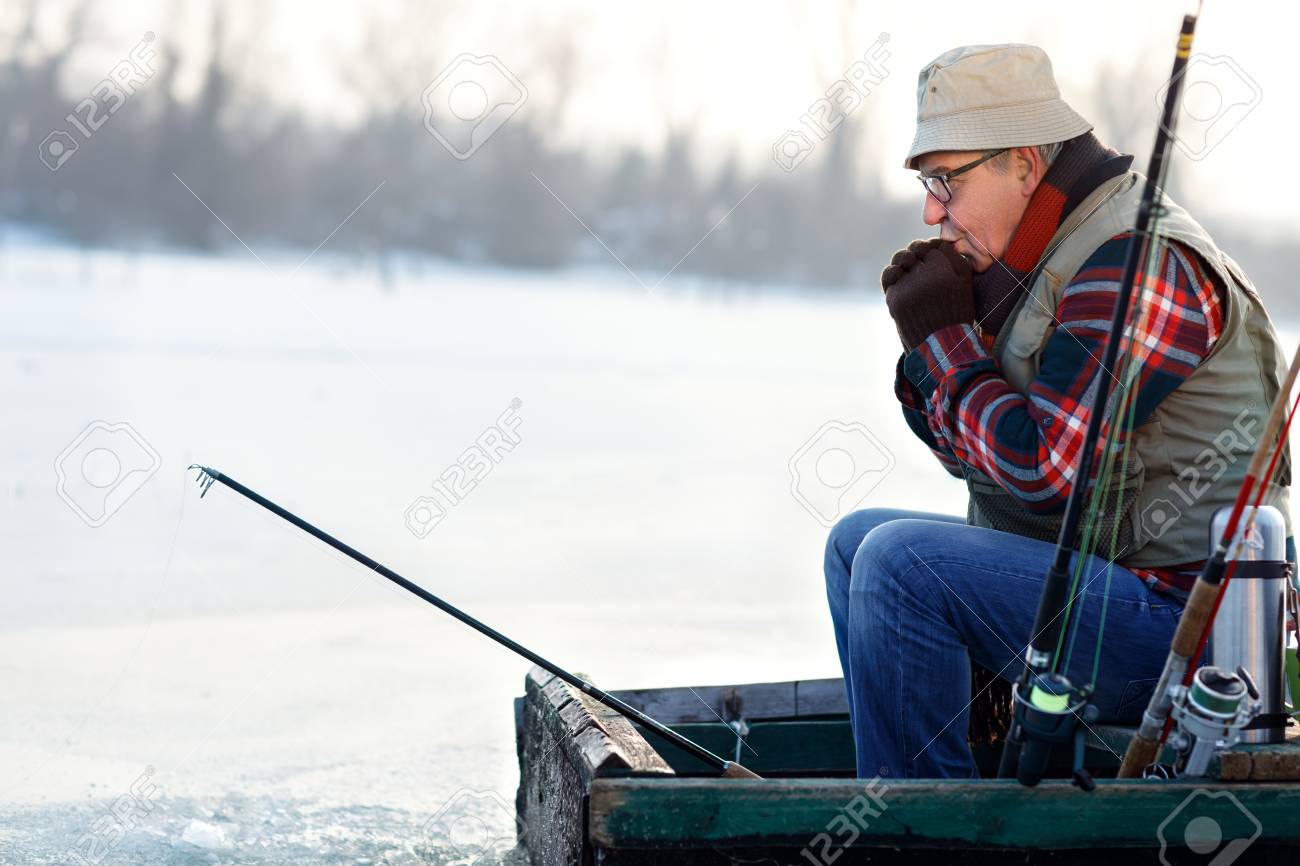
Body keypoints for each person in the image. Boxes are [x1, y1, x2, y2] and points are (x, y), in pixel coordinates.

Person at [823, 43, 1294, 779]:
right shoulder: (1039, 258)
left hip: (1190, 640)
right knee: (857, 543)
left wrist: (946, 343)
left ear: (1024, 164)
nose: (930, 209)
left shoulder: (1133, 262)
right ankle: (947, 794)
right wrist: (935, 353)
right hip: (1112, 596)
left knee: (900, 563)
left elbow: (1047, 474)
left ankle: (919, 836)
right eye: (926, 182)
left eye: (946, 180)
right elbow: (974, 460)